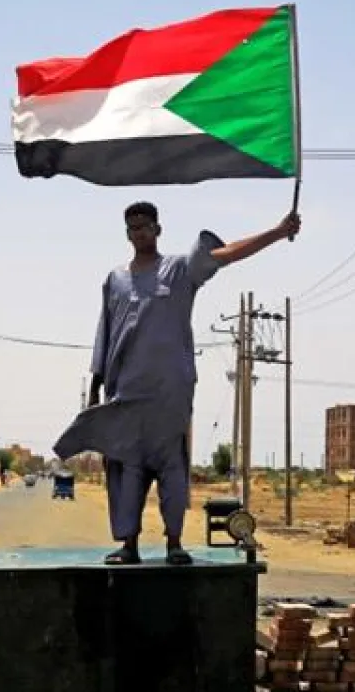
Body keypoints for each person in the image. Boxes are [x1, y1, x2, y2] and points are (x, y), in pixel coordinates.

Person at [55, 201, 301, 566]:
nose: (140, 232)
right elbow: (103, 337)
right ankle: (129, 545)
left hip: (170, 398)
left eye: (146, 225)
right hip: (126, 396)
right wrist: (95, 391)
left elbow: (227, 253)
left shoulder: (179, 270)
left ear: (158, 229)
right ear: (127, 234)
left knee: (172, 468)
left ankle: (174, 543)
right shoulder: (115, 280)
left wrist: (277, 233)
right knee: (126, 471)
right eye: (133, 227)